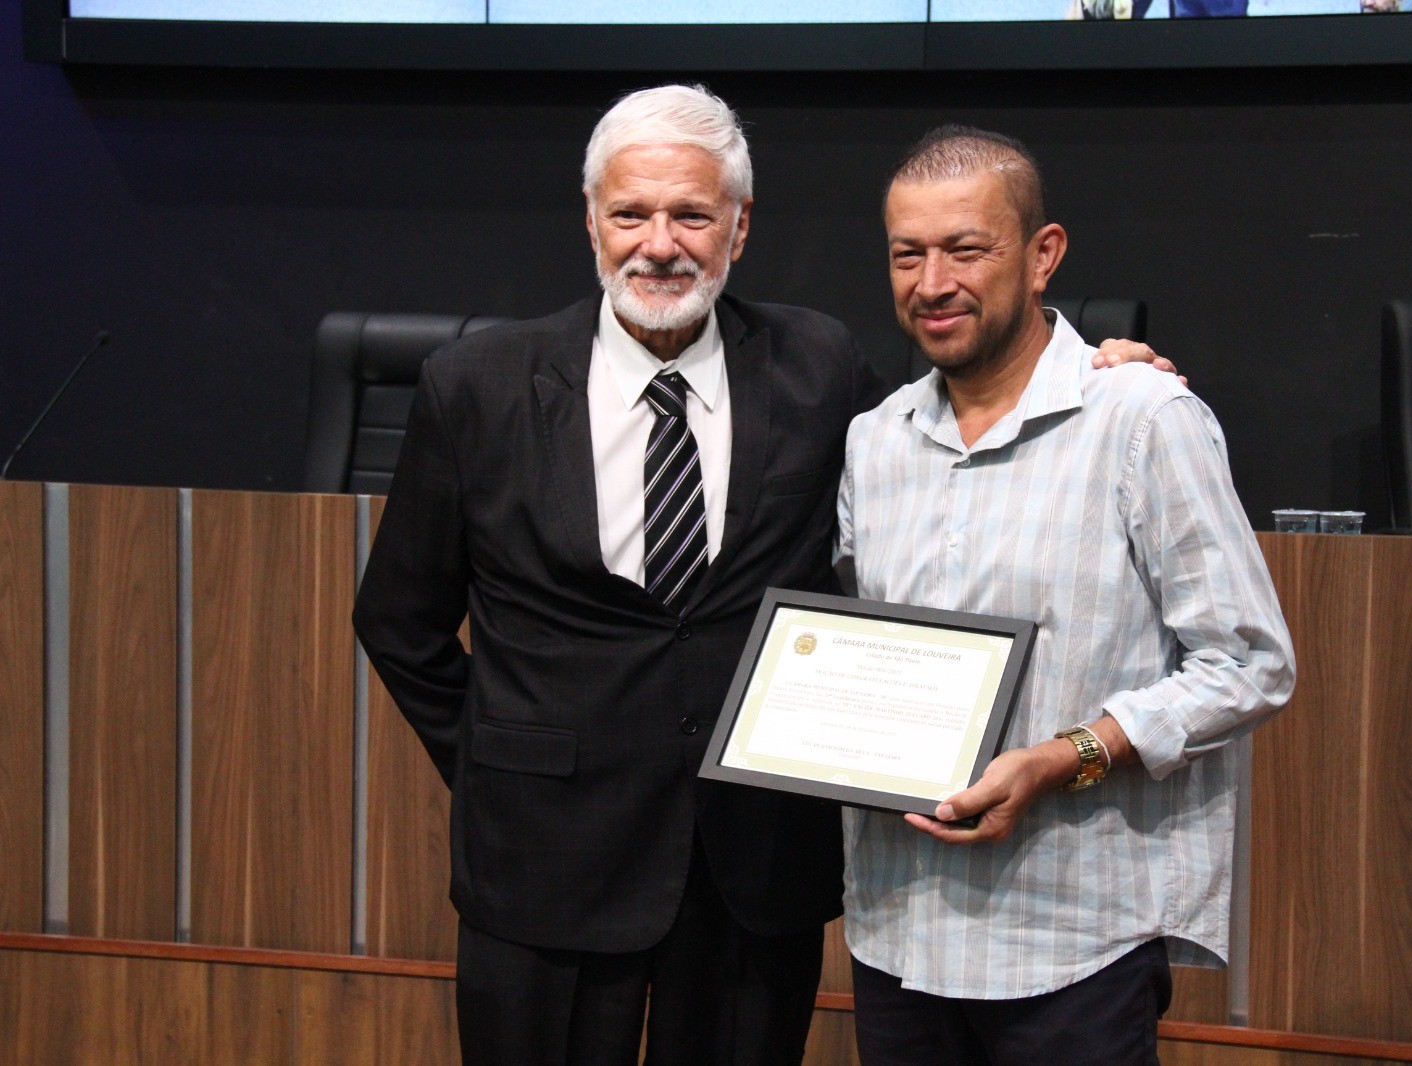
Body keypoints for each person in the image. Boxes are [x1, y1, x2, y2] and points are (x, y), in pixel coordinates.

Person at [354, 86, 1172, 1066]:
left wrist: (1085, 374)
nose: (660, 243)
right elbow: (399, 621)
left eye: (692, 215)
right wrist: (501, 767)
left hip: (751, 869)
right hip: (543, 866)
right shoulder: (476, 386)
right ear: (590, 222)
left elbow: (950, 430)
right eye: (631, 214)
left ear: (738, 230)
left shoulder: (818, 366)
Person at [836, 125, 1296, 1066]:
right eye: (907, 254)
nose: (933, 283)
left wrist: (1064, 756)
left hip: (1072, 945)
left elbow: (1251, 665)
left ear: (1043, 256)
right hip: (895, 935)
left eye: (966, 249)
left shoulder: (1142, 421)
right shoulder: (873, 441)